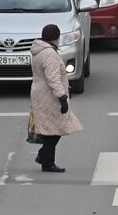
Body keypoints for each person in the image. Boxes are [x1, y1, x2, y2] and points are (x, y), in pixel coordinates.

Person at [30, 23, 83, 172]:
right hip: (49, 96)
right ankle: (47, 162)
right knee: (56, 128)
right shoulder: (49, 54)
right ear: (56, 38)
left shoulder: (39, 51)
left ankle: (44, 157)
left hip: (40, 93)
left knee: (52, 128)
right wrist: (62, 97)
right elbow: (53, 78)